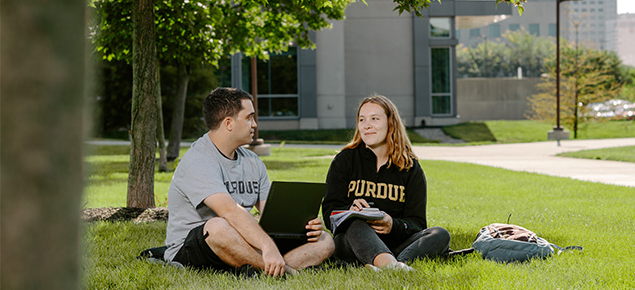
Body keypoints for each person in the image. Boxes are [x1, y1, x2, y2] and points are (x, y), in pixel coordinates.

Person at [164, 87, 334, 277]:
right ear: (228, 123)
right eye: (249, 118)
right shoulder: (197, 160)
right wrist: (267, 245)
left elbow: (273, 214)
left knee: (325, 240)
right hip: (195, 247)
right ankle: (286, 271)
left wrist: (304, 226)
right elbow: (230, 212)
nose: (254, 124)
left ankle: (262, 267)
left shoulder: (252, 162)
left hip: (241, 242)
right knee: (217, 226)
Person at [322, 95, 450, 271]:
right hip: (353, 241)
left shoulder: (410, 168)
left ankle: (388, 264)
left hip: (395, 244)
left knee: (440, 234)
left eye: (374, 118)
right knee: (355, 222)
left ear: (391, 123)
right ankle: (393, 267)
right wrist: (349, 210)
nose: (367, 125)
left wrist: (392, 224)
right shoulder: (345, 160)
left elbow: (417, 224)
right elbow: (329, 213)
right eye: (362, 119)